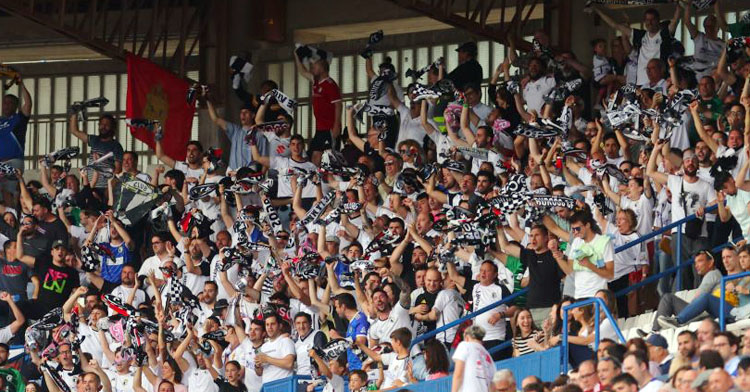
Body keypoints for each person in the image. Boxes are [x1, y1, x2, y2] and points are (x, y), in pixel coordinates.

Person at [293, 45, 342, 165]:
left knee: (327, 156)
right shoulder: (316, 81)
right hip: (320, 128)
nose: (312, 68)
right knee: (314, 155)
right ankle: (315, 180)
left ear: (322, 68)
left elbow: (338, 105)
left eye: (315, 66)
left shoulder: (331, 85)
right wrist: (296, 55)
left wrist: (336, 126)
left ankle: (326, 181)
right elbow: (302, 71)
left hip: (329, 128)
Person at [550, 210, 615, 299]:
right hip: (578, 296)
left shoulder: (604, 242)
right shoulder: (576, 242)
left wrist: (590, 265)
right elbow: (569, 271)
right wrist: (557, 254)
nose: (575, 232)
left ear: (587, 225)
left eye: (577, 229)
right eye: (573, 230)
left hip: (597, 296)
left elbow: (610, 275)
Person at [69, 111, 124, 188]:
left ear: (112, 127)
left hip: (105, 188)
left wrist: (110, 187)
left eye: (107, 125)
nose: (103, 127)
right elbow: (74, 131)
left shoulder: (116, 146)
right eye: (101, 124)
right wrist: (74, 112)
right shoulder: (94, 140)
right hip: (90, 185)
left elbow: (118, 170)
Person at [0, 74, 31, 205]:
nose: (6, 105)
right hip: (0, 164)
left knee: (10, 193)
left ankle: (12, 219)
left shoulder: (19, 119)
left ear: (15, 106)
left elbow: (28, 103)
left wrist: (21, 84)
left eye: (9, 103)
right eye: (4, 102)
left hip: (13, 162)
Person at [254, 313, 296, 384]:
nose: (269, 327)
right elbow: (259, 373)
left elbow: (289, 364)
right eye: (267, 325)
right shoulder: (264, 346)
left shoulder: (286, 341)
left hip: (283, 385)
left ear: (280, 326)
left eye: (272, 324)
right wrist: (257, 366)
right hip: (267, 386)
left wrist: (267, 359)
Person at [451, 325, 495, 392]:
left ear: (466, 337)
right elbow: (492, 384)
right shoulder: (488, 355)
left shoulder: (465, 345)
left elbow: (458, 373)